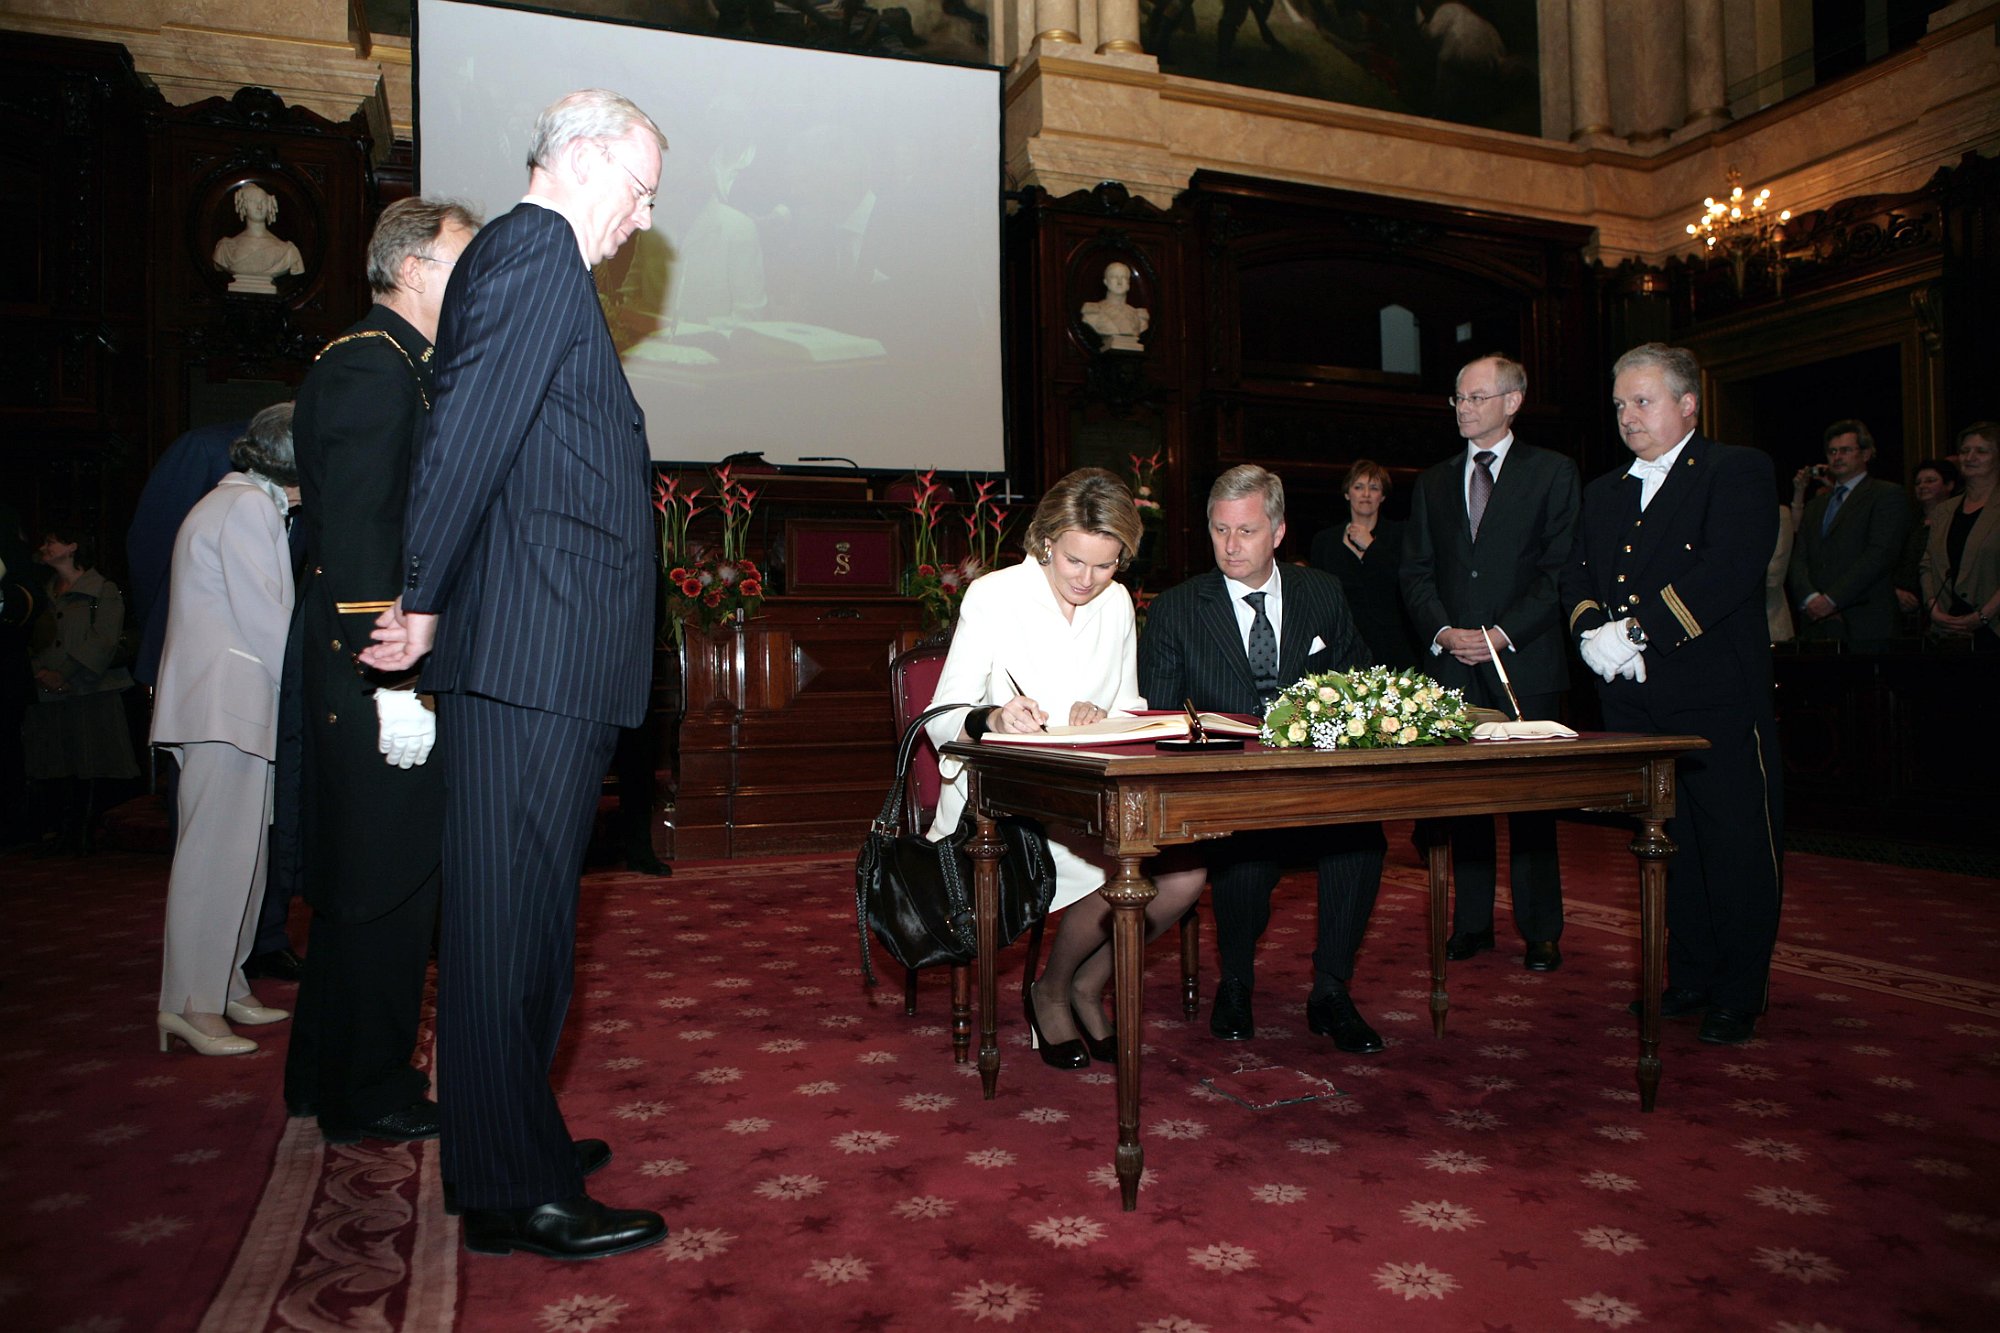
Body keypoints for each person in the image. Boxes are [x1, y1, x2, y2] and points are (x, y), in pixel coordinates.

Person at [358, 88, 668, 1262]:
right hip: (533, 651)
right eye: (639, 193)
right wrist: (423, 598)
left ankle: (511, 1133)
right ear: (584, 165)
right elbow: (472, 428)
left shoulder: (532, 260)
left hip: (546, 656)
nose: (642, 221)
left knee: (528, 926)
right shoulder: (537, 246)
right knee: (505, 929)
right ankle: (508, 1188)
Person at [281, 198, 480, 1144]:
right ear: (411, 269)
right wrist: (394, 680)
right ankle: (370, 1088)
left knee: (365, 879)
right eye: (460, 259)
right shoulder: (374, 362)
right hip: (373, 665)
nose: (472, 277)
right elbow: (362, 537)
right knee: (387, 884)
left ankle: (329, 1073)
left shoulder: (401, 361)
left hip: (371, 661)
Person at [922, 468, 1207, 1067]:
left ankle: (1074, 983)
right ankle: (1052, 995)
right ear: (1047, 541)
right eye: (1075, 561)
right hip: (1004, 801)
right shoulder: (995, 595)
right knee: (1117, 869)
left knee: (1184, 876)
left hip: (1091, 791)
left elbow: (1129, 707)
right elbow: (941, 716)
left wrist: (1102, 711)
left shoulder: (1118, 603)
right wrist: (994, 716)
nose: (1086, 580)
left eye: (1104, 566)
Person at [1559, 343, 1782, 1046]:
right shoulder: (1606, 490)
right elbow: (1577, 573)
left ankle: (1738, 991)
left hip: (1714, 695)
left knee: (1734, 843)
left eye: (1643, 400)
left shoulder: (1735, 470)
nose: (1628, 416)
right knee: (1667, 839)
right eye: (1620, 404)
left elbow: (1729, 569)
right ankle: (1688, 973)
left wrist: (1638, 631)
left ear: (1688, 404)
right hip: (1635, 702)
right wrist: (1593, 631)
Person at [1139, 464, 1388, 1055]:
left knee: (1362, 838)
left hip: (1317, 780)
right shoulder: (1177, 608)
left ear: (1277, 532)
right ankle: (1237, 984)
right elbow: (1161, 717)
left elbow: (1361, 684)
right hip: (1225, 786)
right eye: (1220, 530)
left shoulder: (1322, 591)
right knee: (1244, 850)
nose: (1230, 546)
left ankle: (1331, 990)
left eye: (1246, 532)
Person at [1400, 354, 1578, 972]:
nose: (1463, 408)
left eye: (1476, 397)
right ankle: (1471, 924)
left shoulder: (1553, 473)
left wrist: (1501, 634)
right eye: (1458, 399)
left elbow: (1559, 572)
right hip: (1452, 665)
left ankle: (1541, 930)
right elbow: (1416, 572)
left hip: (1524, 661)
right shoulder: (1433, 482)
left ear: (1513, 400)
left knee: (1533, 806)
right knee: (1464, 803)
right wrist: (1446, 632)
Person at [150, 404, 299, 1057]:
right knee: (214, 858)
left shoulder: (246, 503)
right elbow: (267, 620)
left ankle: (225, 981)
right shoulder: (246, 509)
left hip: (236, 709)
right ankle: (189, 1003)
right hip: (225, 708)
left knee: (244, 856)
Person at [21, 525, 139, 852]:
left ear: (72, 546)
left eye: (51, 540)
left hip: (91, 688)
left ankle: (84, 831)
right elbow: (28, 639)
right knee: (56, 760)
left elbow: (103, 639)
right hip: (49, 691)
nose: (44, 547)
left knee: (91, 758)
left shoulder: (102, 590)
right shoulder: (41, 592)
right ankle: (60, 830)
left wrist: (66, 673)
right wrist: (41, 672)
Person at [1786, 419, 1912, 650]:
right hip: (1816, 622)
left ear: (1866, 454)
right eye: (1832, 451)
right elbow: (1799, 557)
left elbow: (1880, 555)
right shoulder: (1816, 505)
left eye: (1845, 450)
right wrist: (1810, 598)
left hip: (1865, 620)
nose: (1837, 457)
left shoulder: (1885, 495)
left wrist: (1832, 599)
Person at [1308, 459, 1420, 670]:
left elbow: (1407, 583)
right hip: (1343, 643)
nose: (1366, 494)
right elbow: (1319, 596)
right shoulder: (1325, 541)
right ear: (1347, 493)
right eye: (1358, 487)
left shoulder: (1401, 535)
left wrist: (1371, 547)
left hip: (1393, 643)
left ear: (1383, 496)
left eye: (1374, 488)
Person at [1921, 423, 1999, 651]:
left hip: (1993, 629)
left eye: (1981, 451)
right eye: (1965, 451)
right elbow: (1927, 564)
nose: (1970, 457)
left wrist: (1982, 616)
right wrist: (1934, 609)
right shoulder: (1944, 510)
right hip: (1946, 631)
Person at [1894, 457, 1961, 626]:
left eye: (1930, 481)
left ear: (1949, 485)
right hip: (1906, 612)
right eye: (1918, 483)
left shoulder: (1959, 521)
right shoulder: (1907, 522)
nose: (1923, 486)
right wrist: (1896, 592)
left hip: (1947, 605)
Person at [212, 182, 305, 290]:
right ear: (244, 204)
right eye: (253, 201)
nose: (259, 206)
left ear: (270, 204)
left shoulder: (288, 251)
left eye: (263, 201)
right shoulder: (225, 248)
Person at [1079, 261, 1149, 352]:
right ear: (1106, 282)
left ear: (1128, 283)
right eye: (1114, 277)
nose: (1119, 282)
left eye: (1123, 277)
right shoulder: (1093, 311)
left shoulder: (1140, 316)